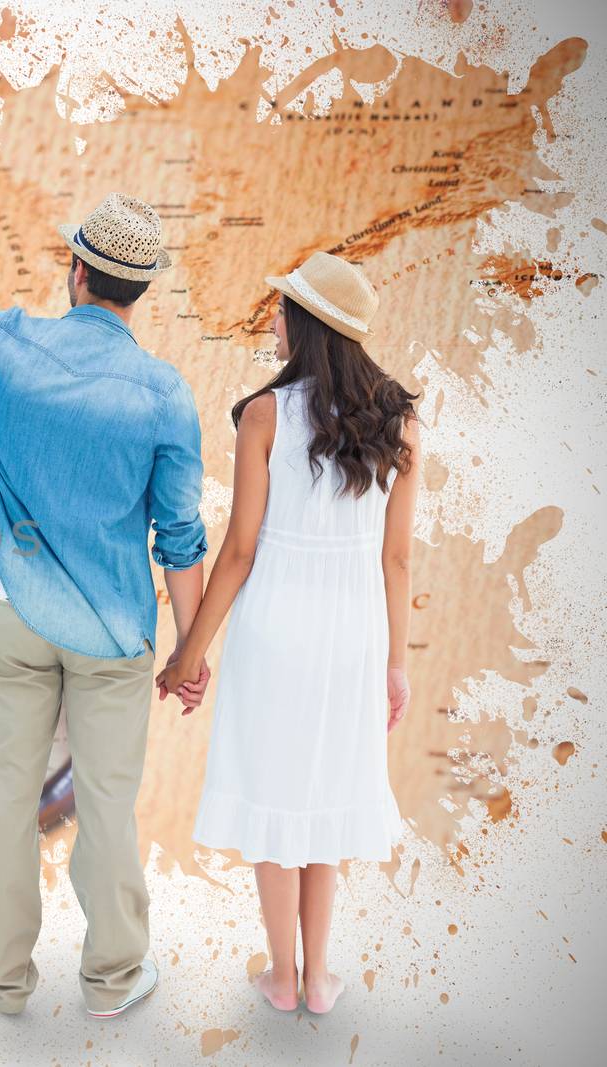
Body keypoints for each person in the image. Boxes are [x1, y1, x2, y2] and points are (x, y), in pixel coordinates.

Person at [0, 193, 210, 1019]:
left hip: (13, 617)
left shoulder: (11, 341)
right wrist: (191, 654)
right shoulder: (166, 394)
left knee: (8, 804)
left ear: (79, 272)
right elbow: (181, 539)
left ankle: (1, 979)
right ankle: (112, 979)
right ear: (137, 290)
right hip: (113, 633)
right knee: (105, 806)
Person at [155, 250, 419, 1015]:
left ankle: (280, 974)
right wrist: (396, 663)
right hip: (352, 636)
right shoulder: (398, 419)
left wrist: (188, 654)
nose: (272, 319)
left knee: (274, 798)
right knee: (327, 794)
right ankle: (320, 977)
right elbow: (396, 559)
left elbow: (239, 551)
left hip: (275, 629)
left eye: (281, 309)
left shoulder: (265, 416)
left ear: (307, 326)